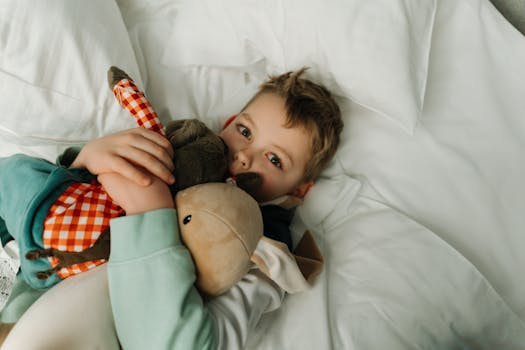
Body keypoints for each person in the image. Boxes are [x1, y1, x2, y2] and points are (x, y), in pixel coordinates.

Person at [1, 68, 343, 349]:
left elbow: (183, 343)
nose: (244, 155)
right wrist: (84, 159)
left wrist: (150, 214)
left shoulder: (264, 256)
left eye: (274, 159)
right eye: (244, 131)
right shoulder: (183, 149)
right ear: (228, 122)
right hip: (41, 281)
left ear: (299, 191)